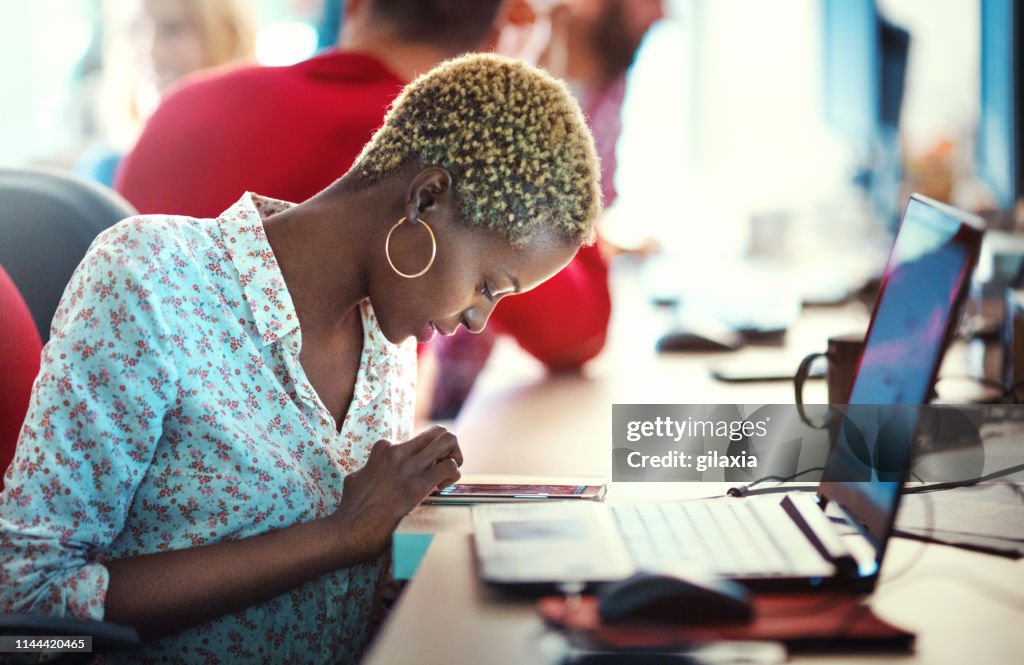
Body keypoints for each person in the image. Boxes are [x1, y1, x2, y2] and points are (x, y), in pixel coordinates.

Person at [0, 53, 601, 663]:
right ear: (427, 199)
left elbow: (339, 595)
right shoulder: (151, 279)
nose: (478, 319)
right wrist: (335, 537)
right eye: (488, 285)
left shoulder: (388, 347)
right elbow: (25, 612)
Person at [114, 0, 612, 382]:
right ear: (508, 36)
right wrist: (545, 105)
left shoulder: (180, 108)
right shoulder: (450, 164)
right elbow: (580, 331)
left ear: (353, 5)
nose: (478, 316)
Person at [76, 0, 256, 186]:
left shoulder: (256, 157)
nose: (153, 51)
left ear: (228, 37)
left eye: (173, 29)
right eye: (134, 30)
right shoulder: (105, 171)